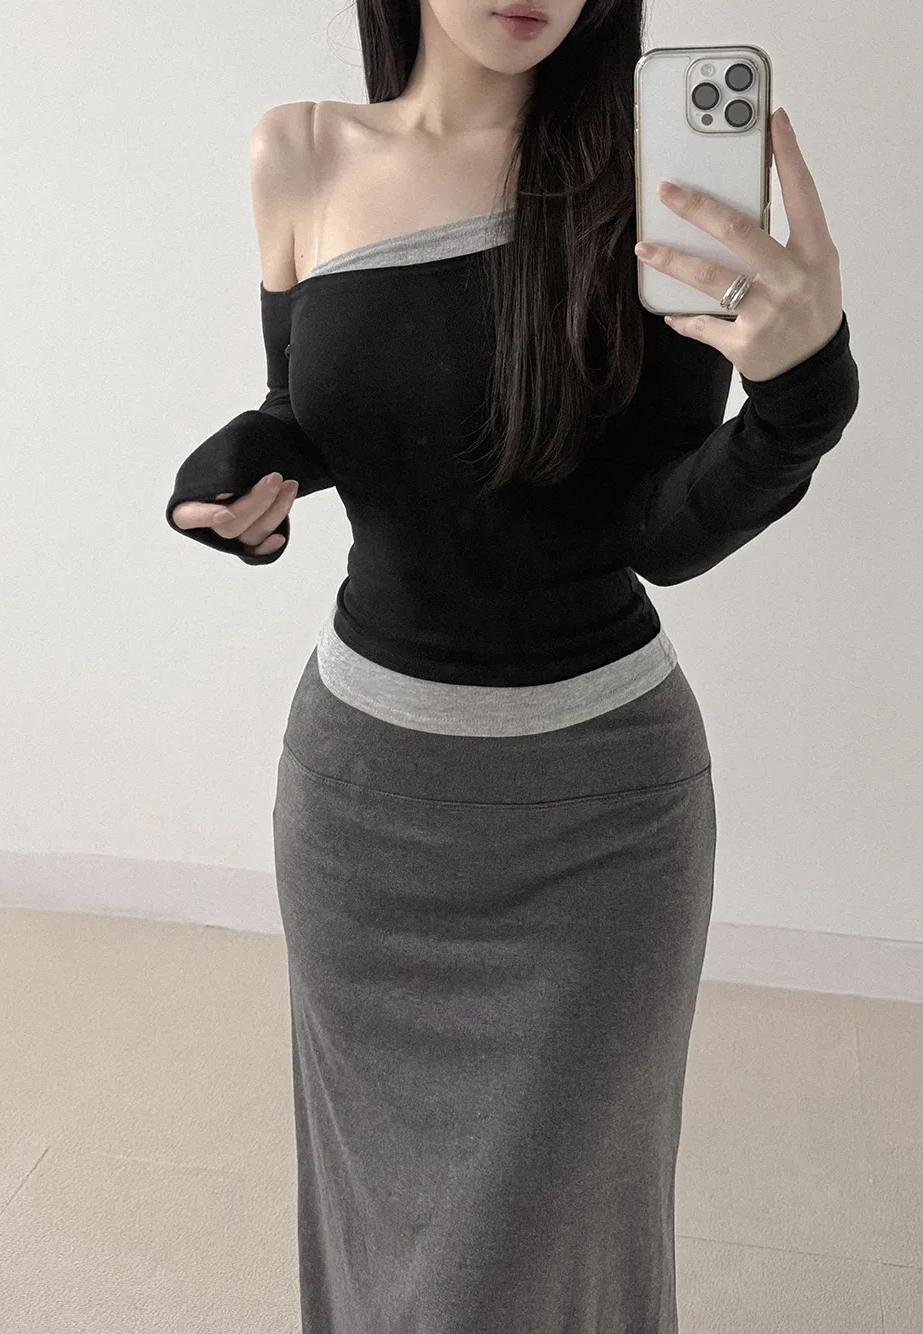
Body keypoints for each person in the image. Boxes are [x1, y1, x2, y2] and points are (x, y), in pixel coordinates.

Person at [166, 3, 859, 1330]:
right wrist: (249, 465)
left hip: (603, 825)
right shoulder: (297, 152)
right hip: (365, 806)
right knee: (377, 1224)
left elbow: (657, 531)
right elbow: (318, 408)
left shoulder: (652, 186)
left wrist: (800, 400)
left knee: (556, 1246)